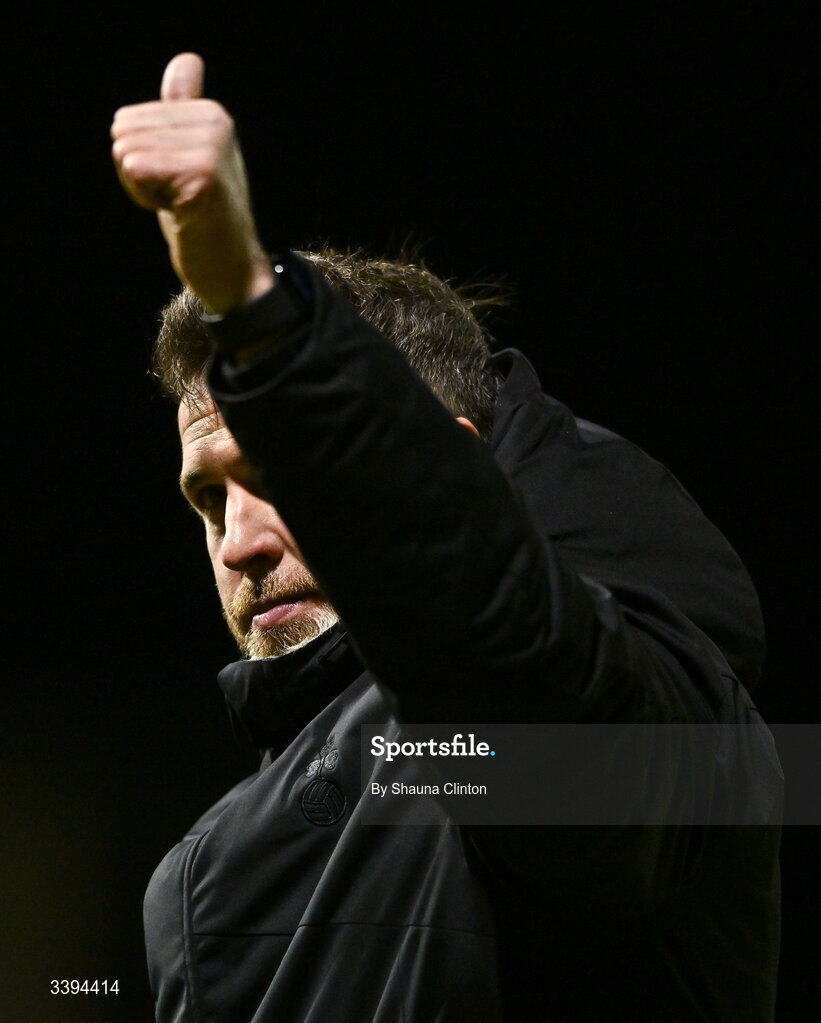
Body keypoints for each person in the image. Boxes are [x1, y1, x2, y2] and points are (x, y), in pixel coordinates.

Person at [112, 54, 782, 1021]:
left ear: (448, 471)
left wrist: (269, 326)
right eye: (209, 502)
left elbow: (514, 663)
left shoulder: (640, 716)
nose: (238, 545)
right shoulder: (207, 864)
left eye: (281, 477)